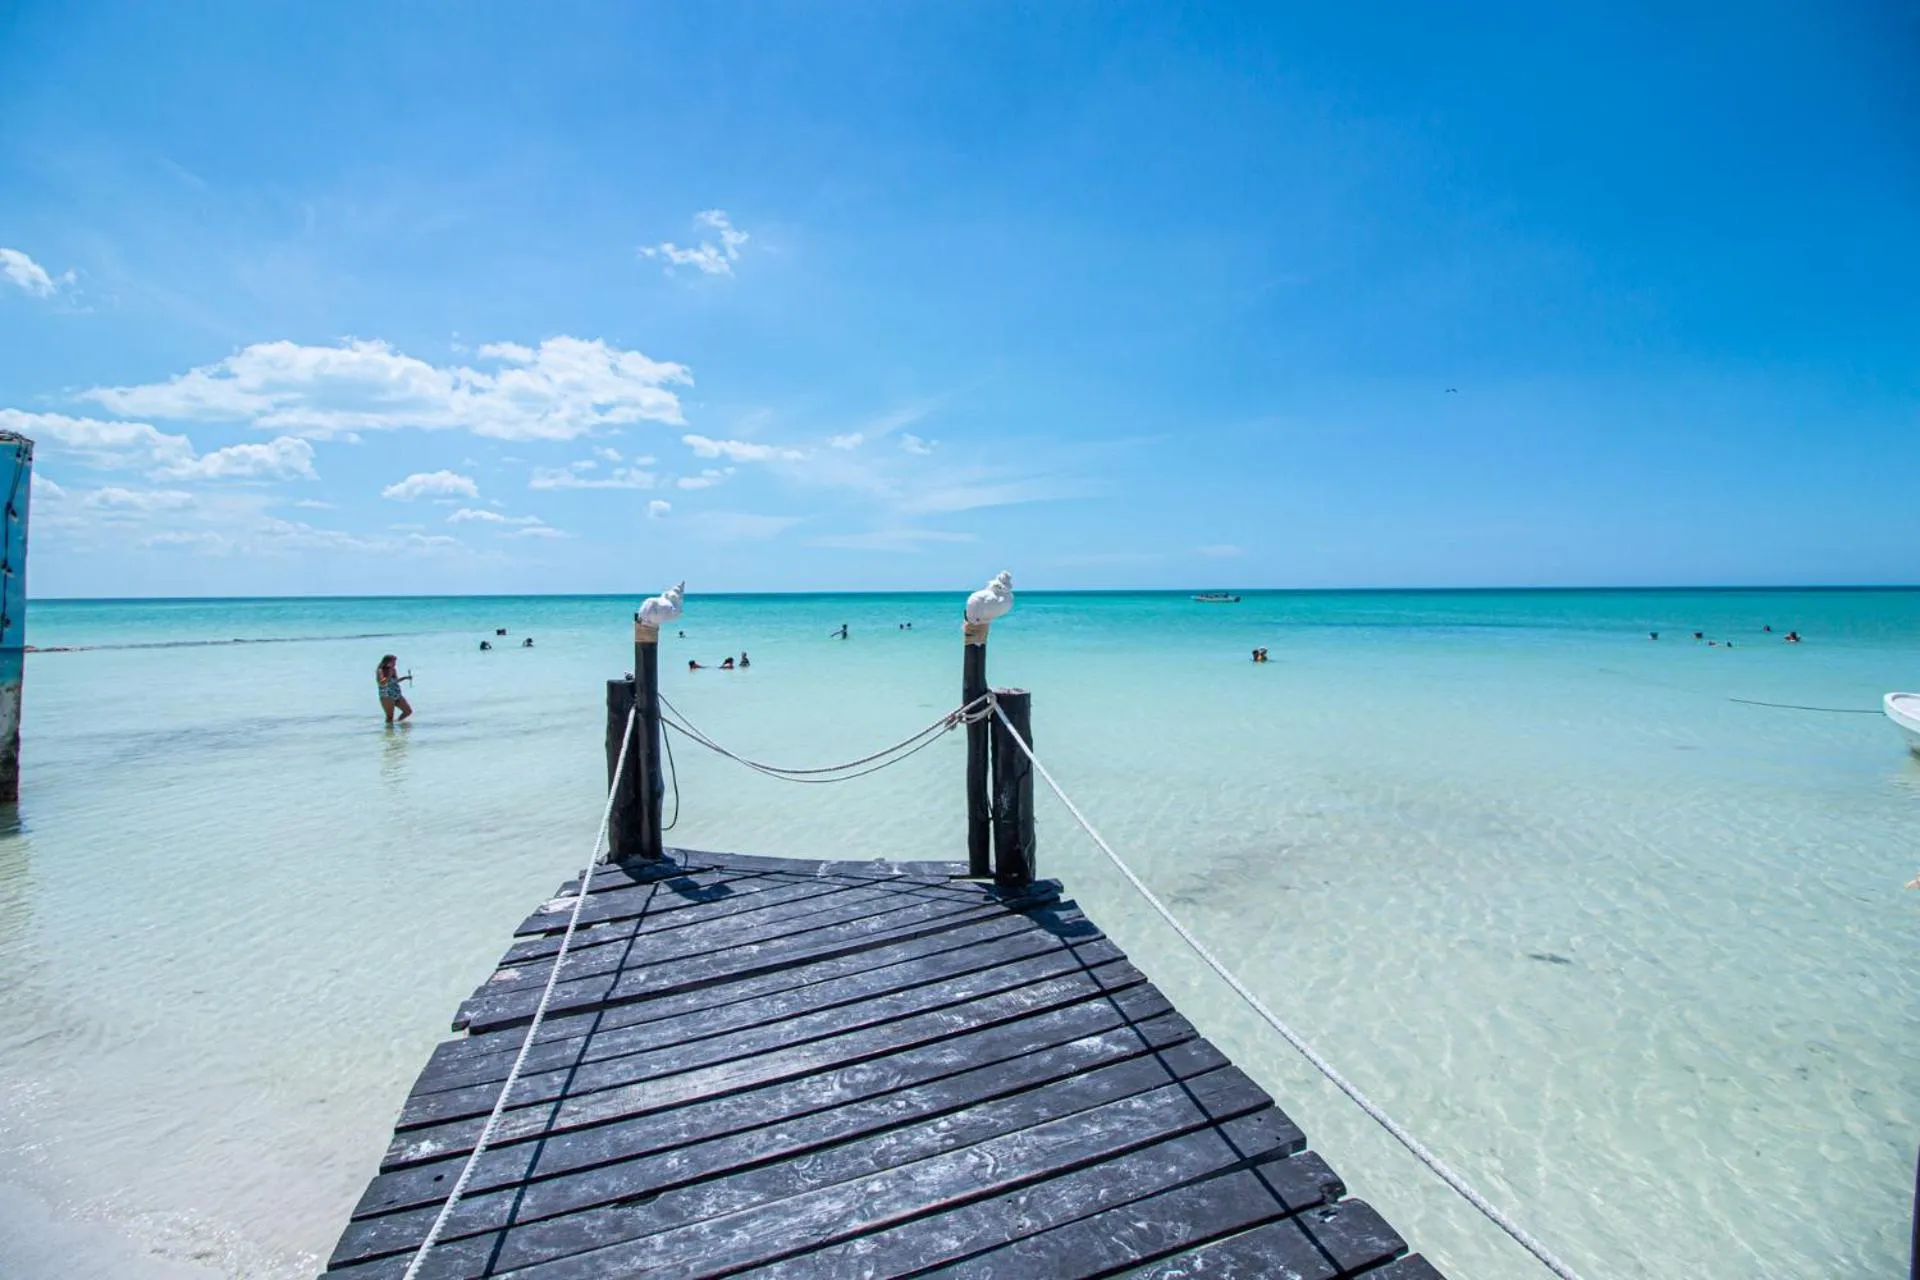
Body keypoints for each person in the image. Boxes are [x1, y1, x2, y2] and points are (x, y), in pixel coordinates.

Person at [375, 655, 412, 723]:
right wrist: (389, 673)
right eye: (393, 662)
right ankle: (389, 732)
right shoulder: (380, 670)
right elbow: (382, 683)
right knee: (390, 717)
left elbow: (396, 680)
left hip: (396, 693)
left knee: (408, 711)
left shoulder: (393, 669)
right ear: (387, 662)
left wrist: (405, 678)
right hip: (386, 695)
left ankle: (397, 723)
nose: (394, 664)